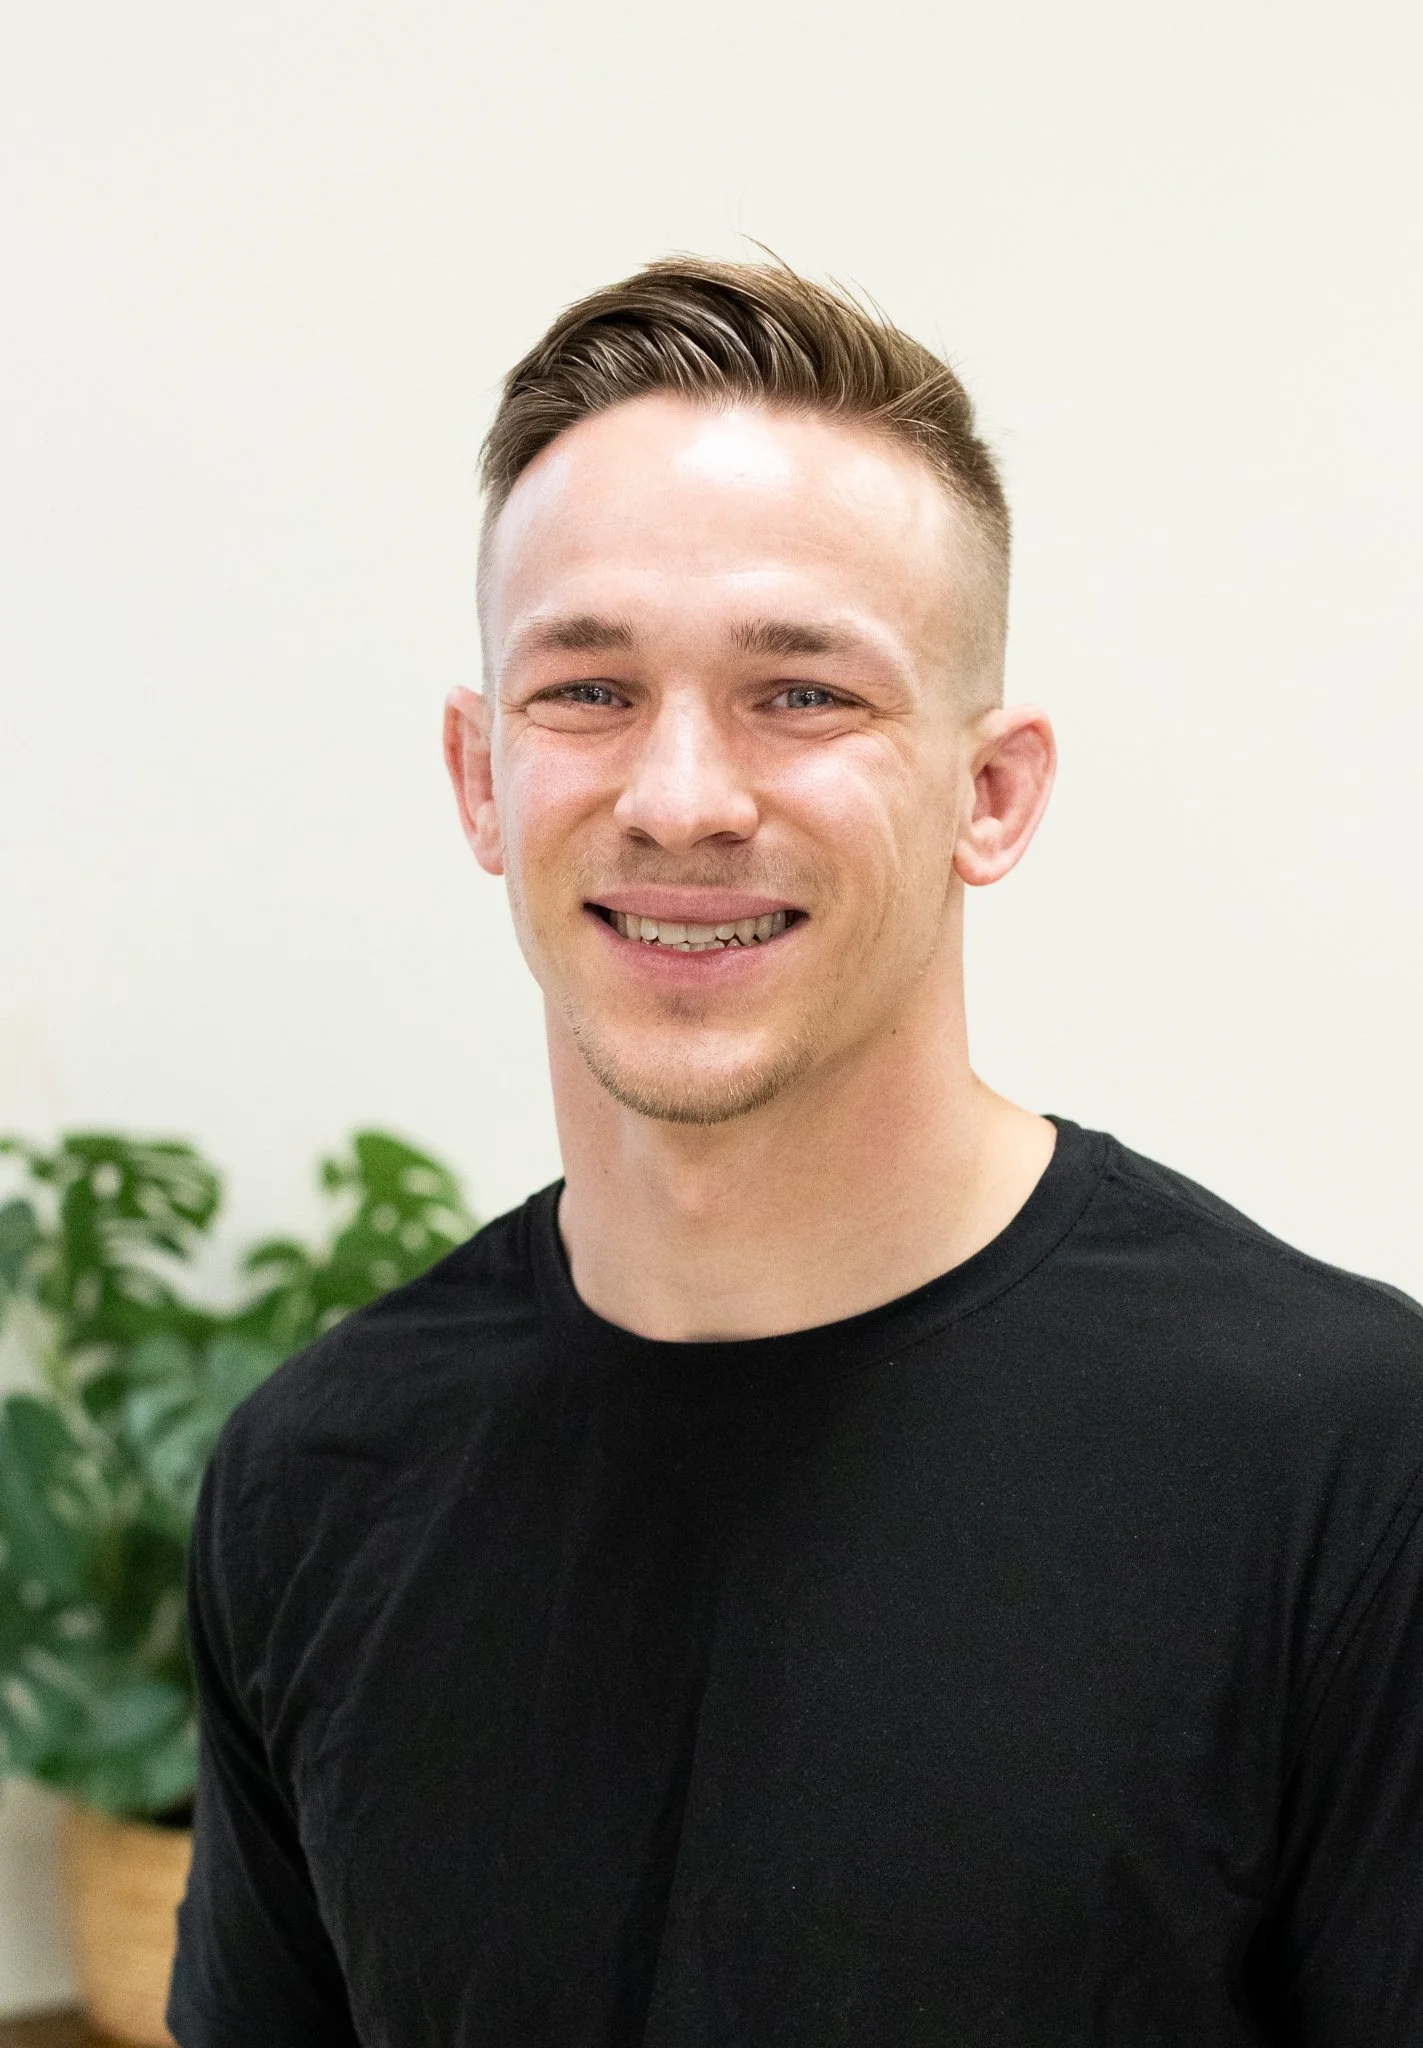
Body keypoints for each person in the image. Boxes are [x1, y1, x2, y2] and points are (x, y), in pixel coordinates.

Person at [168, 258, 1423, 2048]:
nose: (680, 797)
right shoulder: (315, 1478)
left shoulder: (1343, 1466)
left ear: (989, 793)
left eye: (802, 695)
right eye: (586, 690)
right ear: (477, 778)